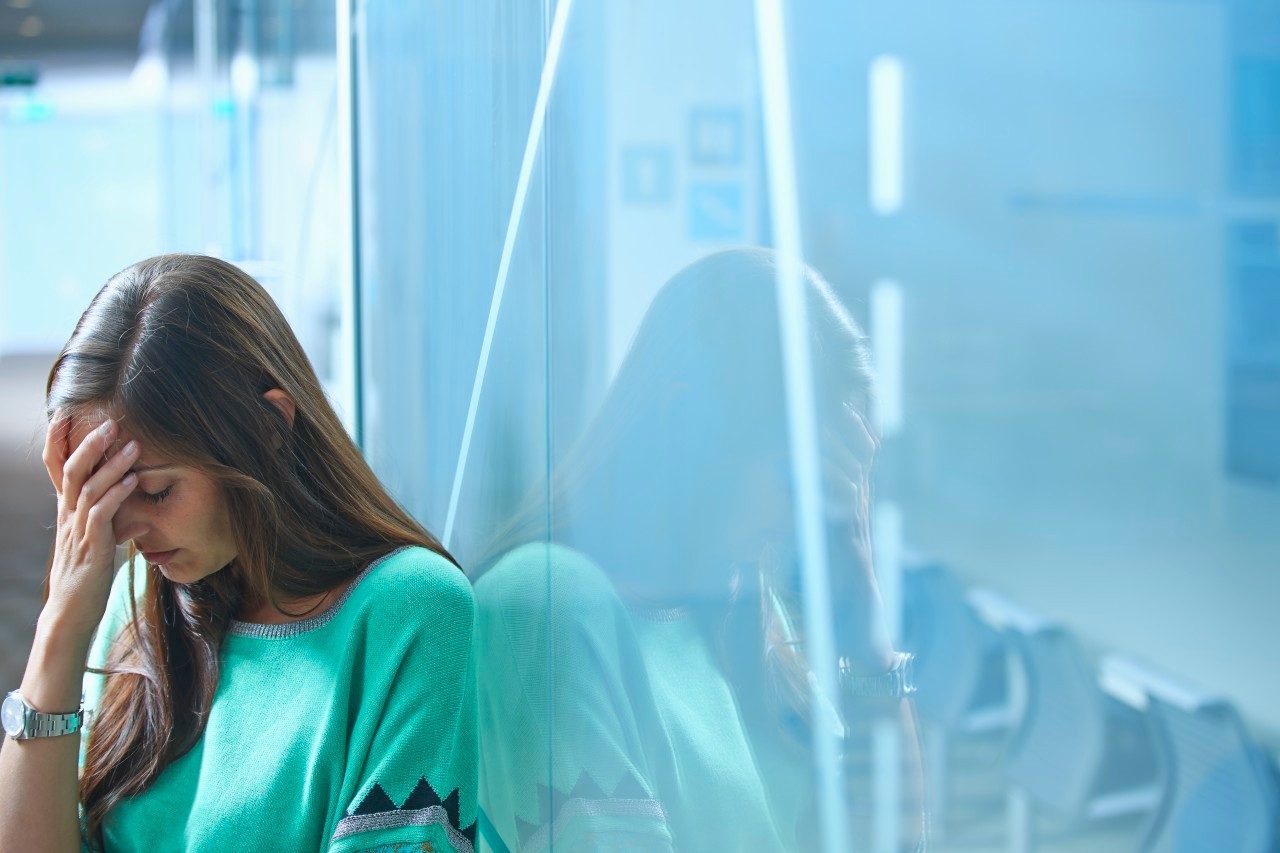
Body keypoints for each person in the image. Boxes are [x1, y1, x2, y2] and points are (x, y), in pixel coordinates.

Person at [0, 255, 478, 852]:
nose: (124, 532)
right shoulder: (129, 608)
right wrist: (60, 630)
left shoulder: (411, 612)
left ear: (271, 425)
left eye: (153, 491)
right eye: (98, 494)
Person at [473, 248, 926, 851]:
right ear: (684, 421)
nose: (809, 518)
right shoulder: (548, 606)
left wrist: (866, 638)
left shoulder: (745, 616)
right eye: (795, 477)